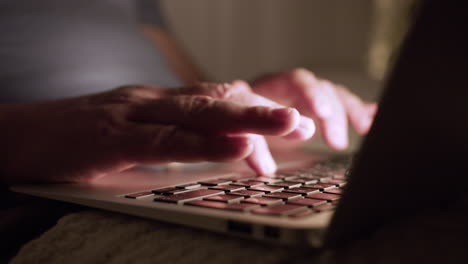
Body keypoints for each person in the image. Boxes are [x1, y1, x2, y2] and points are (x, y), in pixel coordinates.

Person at [0, 0, 377, 184]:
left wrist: (255, 115)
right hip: (40, 186)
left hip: (180, 173)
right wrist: (22, 136)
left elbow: (189, 84)